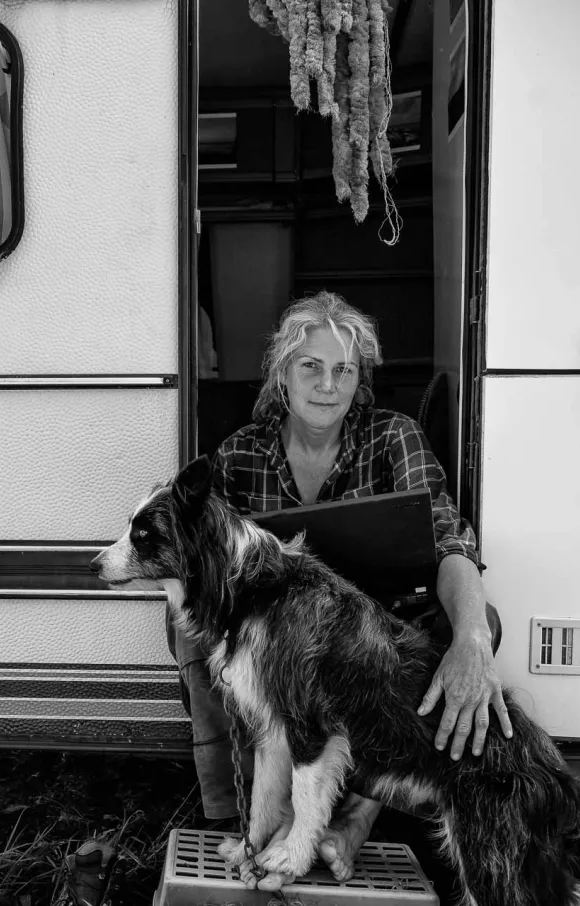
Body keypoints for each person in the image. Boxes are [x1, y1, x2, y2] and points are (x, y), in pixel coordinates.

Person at [166, 291, 513, 892]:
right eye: (311, 366)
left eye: (344, 369)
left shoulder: (394, 437)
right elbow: (201, 564)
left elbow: (451, 541)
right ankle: (243, 822)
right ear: (282, 374)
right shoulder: (241, 455)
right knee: (188, 627)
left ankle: (350, 822)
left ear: (360, 380)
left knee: (471, 622)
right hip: (285, 641)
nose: (328, 384)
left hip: (375, 629)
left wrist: (475, 638)